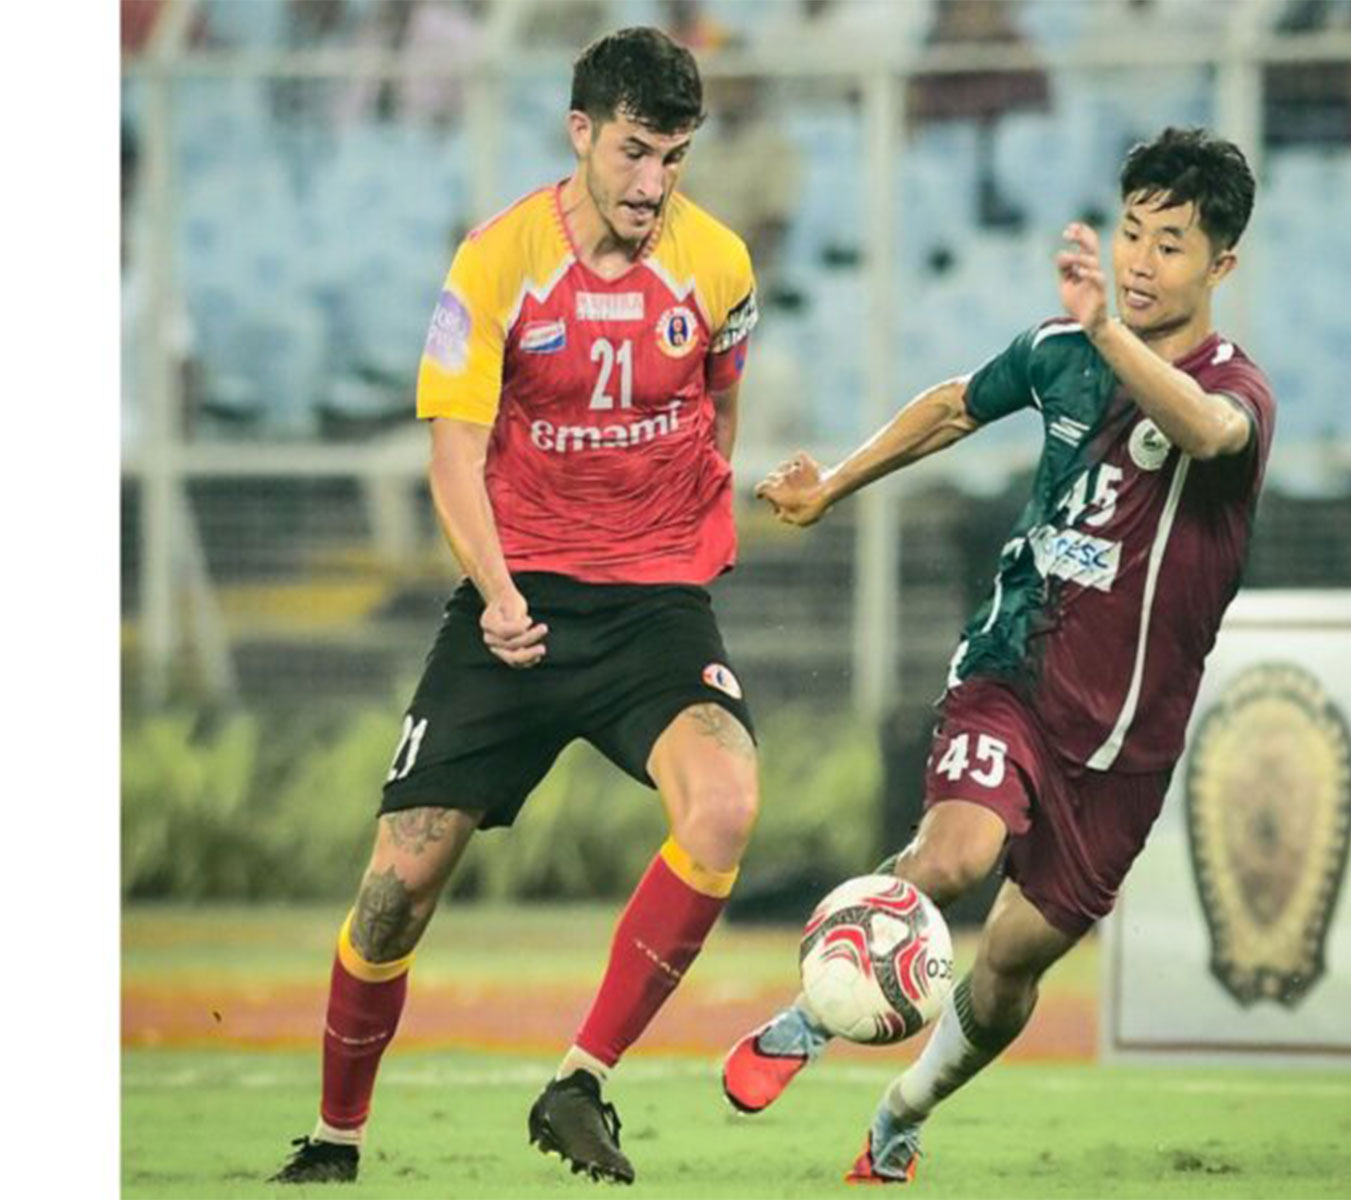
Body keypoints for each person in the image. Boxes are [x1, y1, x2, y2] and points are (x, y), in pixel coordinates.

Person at [722, 126, 1272, 1183]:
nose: (1140, 260)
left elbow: (1203, 432)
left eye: (1170, 244)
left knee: (1014, 962)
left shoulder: (1234, 390)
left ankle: (900, 1110)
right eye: (1130, 233)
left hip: (1127, 744)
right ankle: (813, 1011)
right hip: (1012, 671)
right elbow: (948, 408)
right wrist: (832, 483)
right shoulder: (1060, 351)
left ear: (1220, 266)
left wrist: (1108, 331)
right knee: (952, 860)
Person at [270, 27, 761, 1187]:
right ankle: (335, 1143)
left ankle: (579, 1082)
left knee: (727, 805)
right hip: (519, 602)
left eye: (675, 159)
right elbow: (455, 456)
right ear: (580, 133)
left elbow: (718, 412)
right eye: (635, 151)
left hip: (651, 609)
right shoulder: (494, 264)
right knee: (398, 886)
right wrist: (494, 596)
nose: (652, 184)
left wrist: (702, 529)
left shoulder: (722, 267)